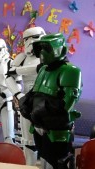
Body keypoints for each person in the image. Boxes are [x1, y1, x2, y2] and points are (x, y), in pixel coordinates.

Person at [19, 33, 82, 169]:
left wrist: (44, 118)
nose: (42, 52)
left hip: (57, 129)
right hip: (39, 126)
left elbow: (67, 104)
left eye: (46, 48)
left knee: (59, 162)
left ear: (61, 49)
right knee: (44, 159)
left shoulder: (70, 71)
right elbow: (35, 93)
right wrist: (25, 105)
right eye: (40, 48)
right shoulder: (43, 69)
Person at [5, 26, 46, 165]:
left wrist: (20, 71)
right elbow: (9, 76)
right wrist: (18, 94)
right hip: (26, 99)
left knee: (47, 140)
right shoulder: (22, 57)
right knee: (28, 141)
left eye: (34, 38)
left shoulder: (50, 54)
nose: (32, 42)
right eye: (27, 39)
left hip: (47, 100)